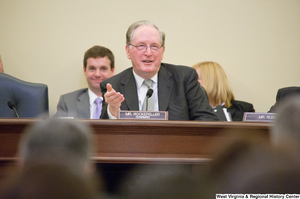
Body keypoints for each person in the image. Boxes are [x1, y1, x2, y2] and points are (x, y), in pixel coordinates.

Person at [100, 20, 217, 121]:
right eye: (141, 46)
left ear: (162, 51)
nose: (148, 53)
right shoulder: (113, 86)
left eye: (154, 46)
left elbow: (207, 120)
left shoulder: (184, 79)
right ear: (128, 51)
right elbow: (103, 135)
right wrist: (113, 111)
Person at [54, 45, 115, 119]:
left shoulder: (122, 101)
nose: (97, 74)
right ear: (84, 70)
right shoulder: (67, 101)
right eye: (92, 68)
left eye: (103, 69)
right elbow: (59, 130)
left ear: (112, 71)